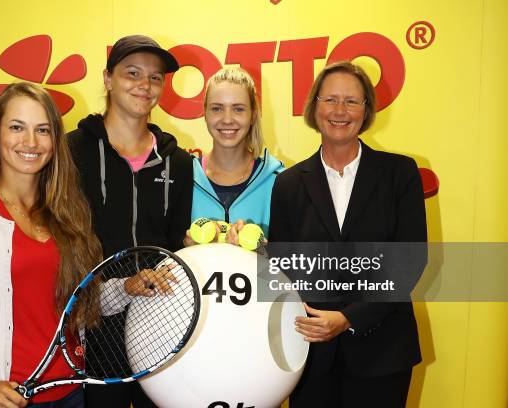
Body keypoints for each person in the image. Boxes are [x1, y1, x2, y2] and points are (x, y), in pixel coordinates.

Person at [0, 82, 161, 408]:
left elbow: (77, 299)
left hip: (70, 392)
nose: (30, 142)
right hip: (4, 400)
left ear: (55, 141)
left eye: (42, 130)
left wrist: (124, 289)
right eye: (17, 127)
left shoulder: (67, 212)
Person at [269, 61, 427, 407]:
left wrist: (349, 318)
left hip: (383, 354)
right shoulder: (288, 184)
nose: (340, 111)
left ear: (366, 110)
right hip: (310, 357)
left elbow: (409, 262)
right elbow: (281, 267)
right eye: (330, 100)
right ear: (315, 107)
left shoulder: (399, 174)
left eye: (352, 101)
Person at [68, 35, 193, 408]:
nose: (145, 85)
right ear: (108, 79)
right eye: (132, 73)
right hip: (92, 324)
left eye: (155, 78)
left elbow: (176, 245)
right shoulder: (71, 151)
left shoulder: (179, 161)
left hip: (159, 320)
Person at [185, 67, 284, 245]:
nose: (227, 119)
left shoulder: (280, 181)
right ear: (205, 113)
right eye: (217, 109)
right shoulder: (183, 178)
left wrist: (262, 256)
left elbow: (297, 264)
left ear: (253, 114)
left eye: (238, 109)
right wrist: (185, 249)